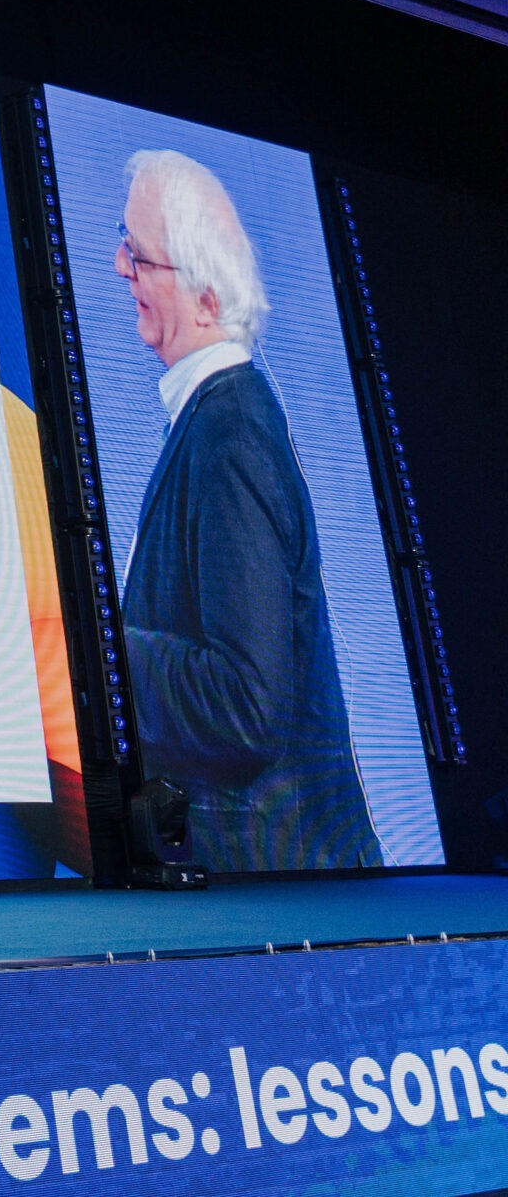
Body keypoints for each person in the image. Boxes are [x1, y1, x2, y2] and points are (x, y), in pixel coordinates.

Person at [113, 150, 379, 872]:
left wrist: (103, 647)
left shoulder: (231, 435)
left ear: (206, 299)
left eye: (140, 256)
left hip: (288, 899)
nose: (119, 267)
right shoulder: (215, 420)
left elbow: (246, 705)